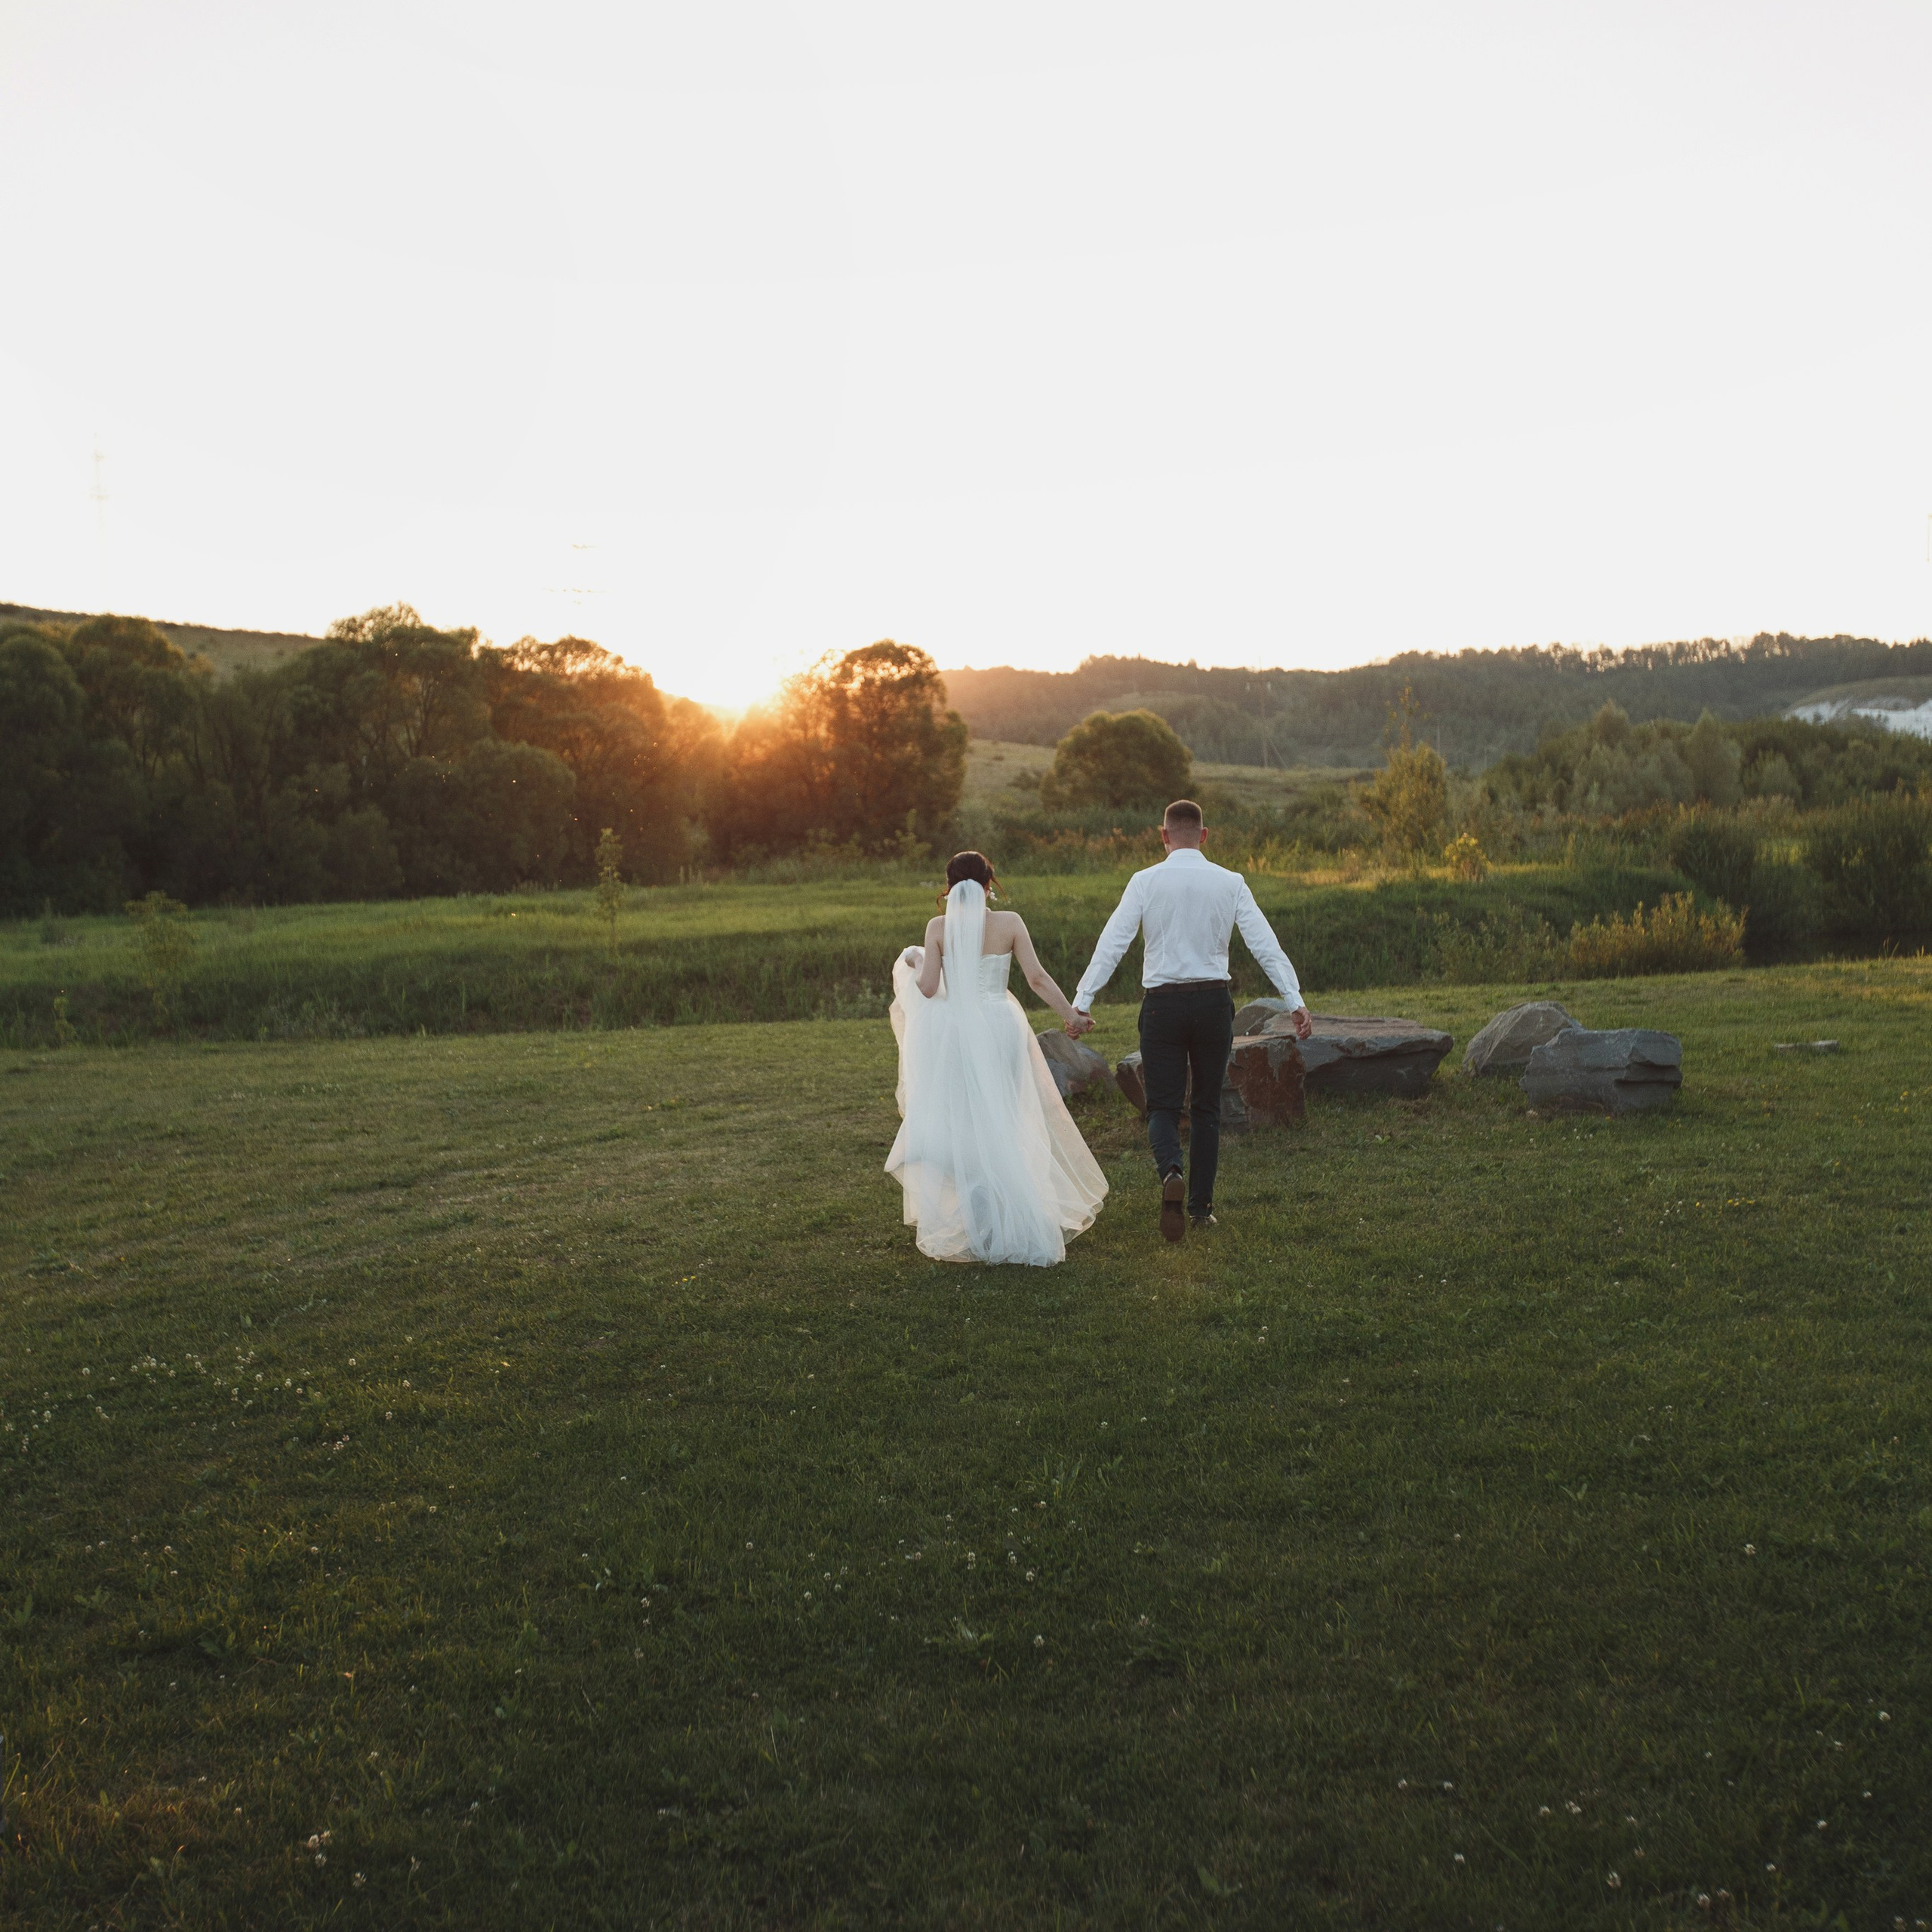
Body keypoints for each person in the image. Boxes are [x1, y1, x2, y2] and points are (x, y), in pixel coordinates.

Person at [1067, 799, 1310, 1242]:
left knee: (1162, 1106)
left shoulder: (1144, 882)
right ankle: (1200, 1208)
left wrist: (1082, 1002)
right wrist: (1293, 999)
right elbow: (1264, 943)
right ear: (1204, 836)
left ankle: (1170, 1172)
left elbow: (1113, 942)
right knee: (1207, 1108)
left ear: (1163, 835)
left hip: (1162, 1006)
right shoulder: (1230, 881)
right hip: (1214, 1004)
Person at [886, 851, 1108, 1266]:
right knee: (1005, 1114)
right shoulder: (1010, 923)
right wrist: (1070, 1016)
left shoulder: (938, 927)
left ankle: (980, 1224)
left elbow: (930, 989)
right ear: (991, 884)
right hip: (1000, 1025)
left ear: (948, 888)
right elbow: (1037, 978)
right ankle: (1015, 1216)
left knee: (966, 1121)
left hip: (955, 1032)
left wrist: (917, 960)